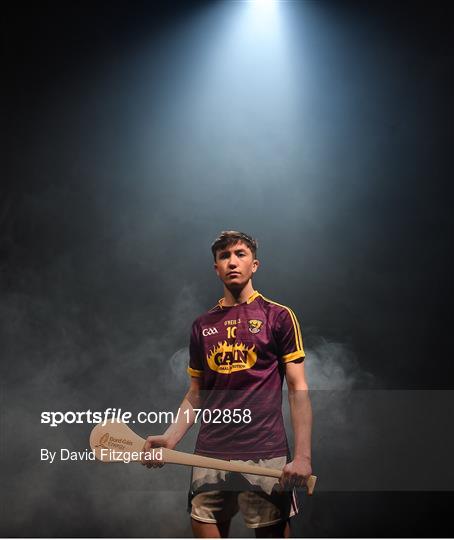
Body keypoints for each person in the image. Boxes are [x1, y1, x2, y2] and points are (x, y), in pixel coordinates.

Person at [143, 231, 312, 538]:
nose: (232, 261)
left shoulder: (279, 317)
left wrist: (302, 457)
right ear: (216, 268)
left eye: (240, 254)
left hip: (265, 453)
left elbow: (298, 391)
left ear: (255, 265)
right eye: (224, 256)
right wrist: (170, 438)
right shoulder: (202, 326)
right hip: (209, 455)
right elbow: (195, 395)